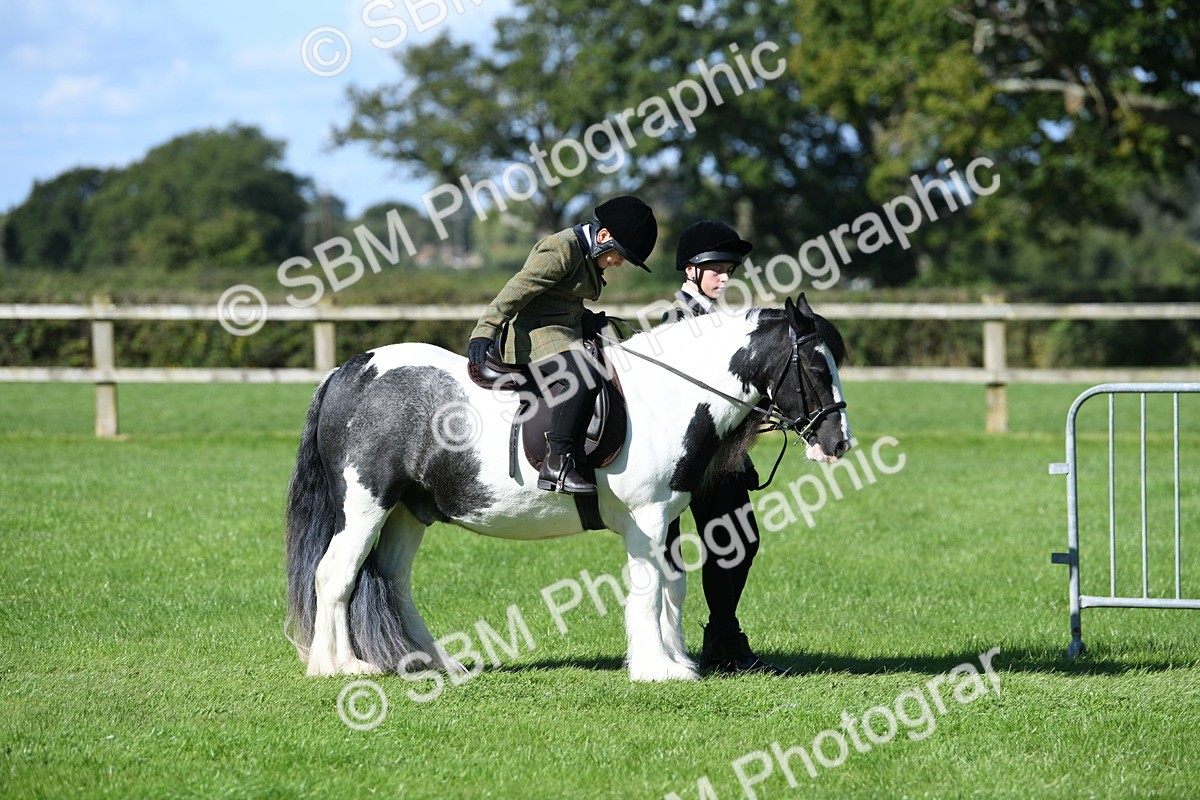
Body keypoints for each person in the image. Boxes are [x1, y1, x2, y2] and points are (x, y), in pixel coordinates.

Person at [661, 219, 787, 675]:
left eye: (730, 269)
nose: (726, 277)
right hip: (689, 461)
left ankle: (722, 636)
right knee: (708, 547)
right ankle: (715, 642)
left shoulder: (723, 319)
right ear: (691, 269)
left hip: (723, 456)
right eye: (718, 269)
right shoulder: (677, 320)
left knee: (742, 541)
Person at [467, 195, 657, 495]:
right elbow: (516, 290)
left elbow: (564, 300)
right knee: (582, 374)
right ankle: (557, 463)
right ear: (603, 236)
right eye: (619, 254)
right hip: (535, 335)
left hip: (565, 332)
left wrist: (589, 319)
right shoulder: (561, 249)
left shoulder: (589, 253)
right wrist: (484, 329)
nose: (619, 262)